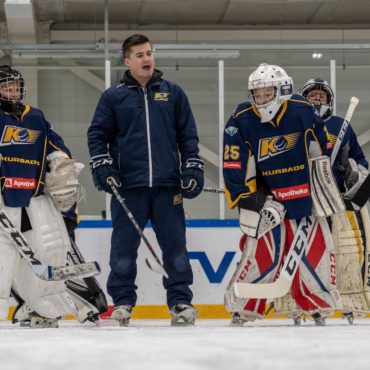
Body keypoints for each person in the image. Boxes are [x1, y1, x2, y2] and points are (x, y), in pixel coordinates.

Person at [87, 34, 204, 326]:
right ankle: (123, 302)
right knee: (123, 251)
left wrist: (192, 166)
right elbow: (97, 135)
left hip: (167, 187)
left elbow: (187, 135)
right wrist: (103, 165)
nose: (146, 59)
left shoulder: (173, 93)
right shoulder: (113, 96)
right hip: (129, 187)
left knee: (176, 249)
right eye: (139, 55)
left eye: (149, 53)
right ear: (127, 61)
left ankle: (180, 301)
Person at [223, 63, 343, 326]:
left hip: (303, 196)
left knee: (314, 251)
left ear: (282, 90)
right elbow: (233, 161)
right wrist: (244, 195)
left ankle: (316, 303)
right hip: (268, 201)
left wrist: (324, 182)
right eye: (258, 94)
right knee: (261, 253)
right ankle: (244, 305)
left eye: (267, 93)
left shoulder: (302, 111)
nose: (262, 99)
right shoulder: (241, 118)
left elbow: (319, 151)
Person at [0, 65, 104, 328]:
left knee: (49, 251)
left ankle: (43, 310)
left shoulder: (36, 118)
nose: (12, 91)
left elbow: (56, 146)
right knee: (3, 257)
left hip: (34, 197)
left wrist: (61, 167)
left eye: (15, 86)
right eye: (5, 87)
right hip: (4, 198)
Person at [299, 78, 370, 324]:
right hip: (305, 200)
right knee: (311, 252)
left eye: (322, 96)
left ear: (329, 100)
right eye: (312, 95)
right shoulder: (295, 123)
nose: (317, 100)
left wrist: (353, 169)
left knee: (342, 252)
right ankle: (310, 301)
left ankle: (347, 300)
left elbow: (361, 160)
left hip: (336, 200)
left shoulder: (341, 125)